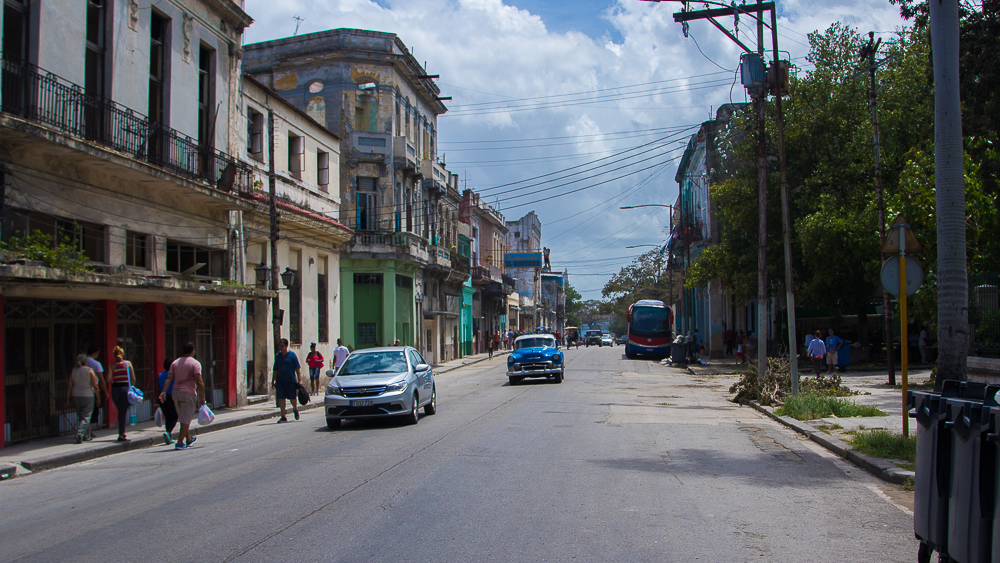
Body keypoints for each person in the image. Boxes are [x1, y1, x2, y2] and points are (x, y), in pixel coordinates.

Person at [159, 342, 205, 450]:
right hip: (187, 393)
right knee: (186, 418)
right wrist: (202, 396)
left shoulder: (175, 363)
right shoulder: (195, 363)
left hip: (175, 393)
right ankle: (180, 442)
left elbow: (169, 377)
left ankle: (189, 438)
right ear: (193, 351)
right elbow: (199, 380)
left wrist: (163, 392)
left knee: (183, 417)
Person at [65, 353, 100, 444]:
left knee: (81, 416)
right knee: (86, 416)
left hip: (76, 395)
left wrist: (67, 398)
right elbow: (95, 385)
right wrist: (98, 396)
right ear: (86, 361)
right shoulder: (89, 370)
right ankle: (80, 434)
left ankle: (86, 435)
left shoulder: (73, 371)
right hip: (88, 395)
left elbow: (69, 386)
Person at [108, 346, 135, 442]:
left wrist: (114, 384)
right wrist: (131, 387)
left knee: (120, 410)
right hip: (125, 389)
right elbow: (133, 378)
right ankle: (121, 433)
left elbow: (108, 379)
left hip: (115, 389)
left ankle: (121, 432)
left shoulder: (111, 365)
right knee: (123, 411)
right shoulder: (128, 364)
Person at [272, 338, 302, 423]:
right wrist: (273, 381)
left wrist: (300, 380)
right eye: (279, 345)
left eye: (282, 346)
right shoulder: (278, 356)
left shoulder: (292, 355)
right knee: (281, 398)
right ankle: (283, 416)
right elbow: (275, 369)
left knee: (292, 398)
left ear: (286, 346)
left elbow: (297, 369)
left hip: (290, 381)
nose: (280, 347)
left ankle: (295, 409)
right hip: (280, 381)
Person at [85, 345, 106, 436]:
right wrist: (105, 391)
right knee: (93, 412)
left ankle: (86, 431)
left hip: (81, 390)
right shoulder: (96, 364)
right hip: (92, 390)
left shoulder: (83, 362)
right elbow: (101, 380)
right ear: (95, 353)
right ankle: (87, 431)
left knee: (84, 412)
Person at [157, 358, 178, 445]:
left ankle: (169, 436)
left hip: (162, 397)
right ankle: (168, 432)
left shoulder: (160, 375)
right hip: (171, 397)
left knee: (167, 417)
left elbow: (158, 387)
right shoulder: (173, 375)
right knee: (175, 416)